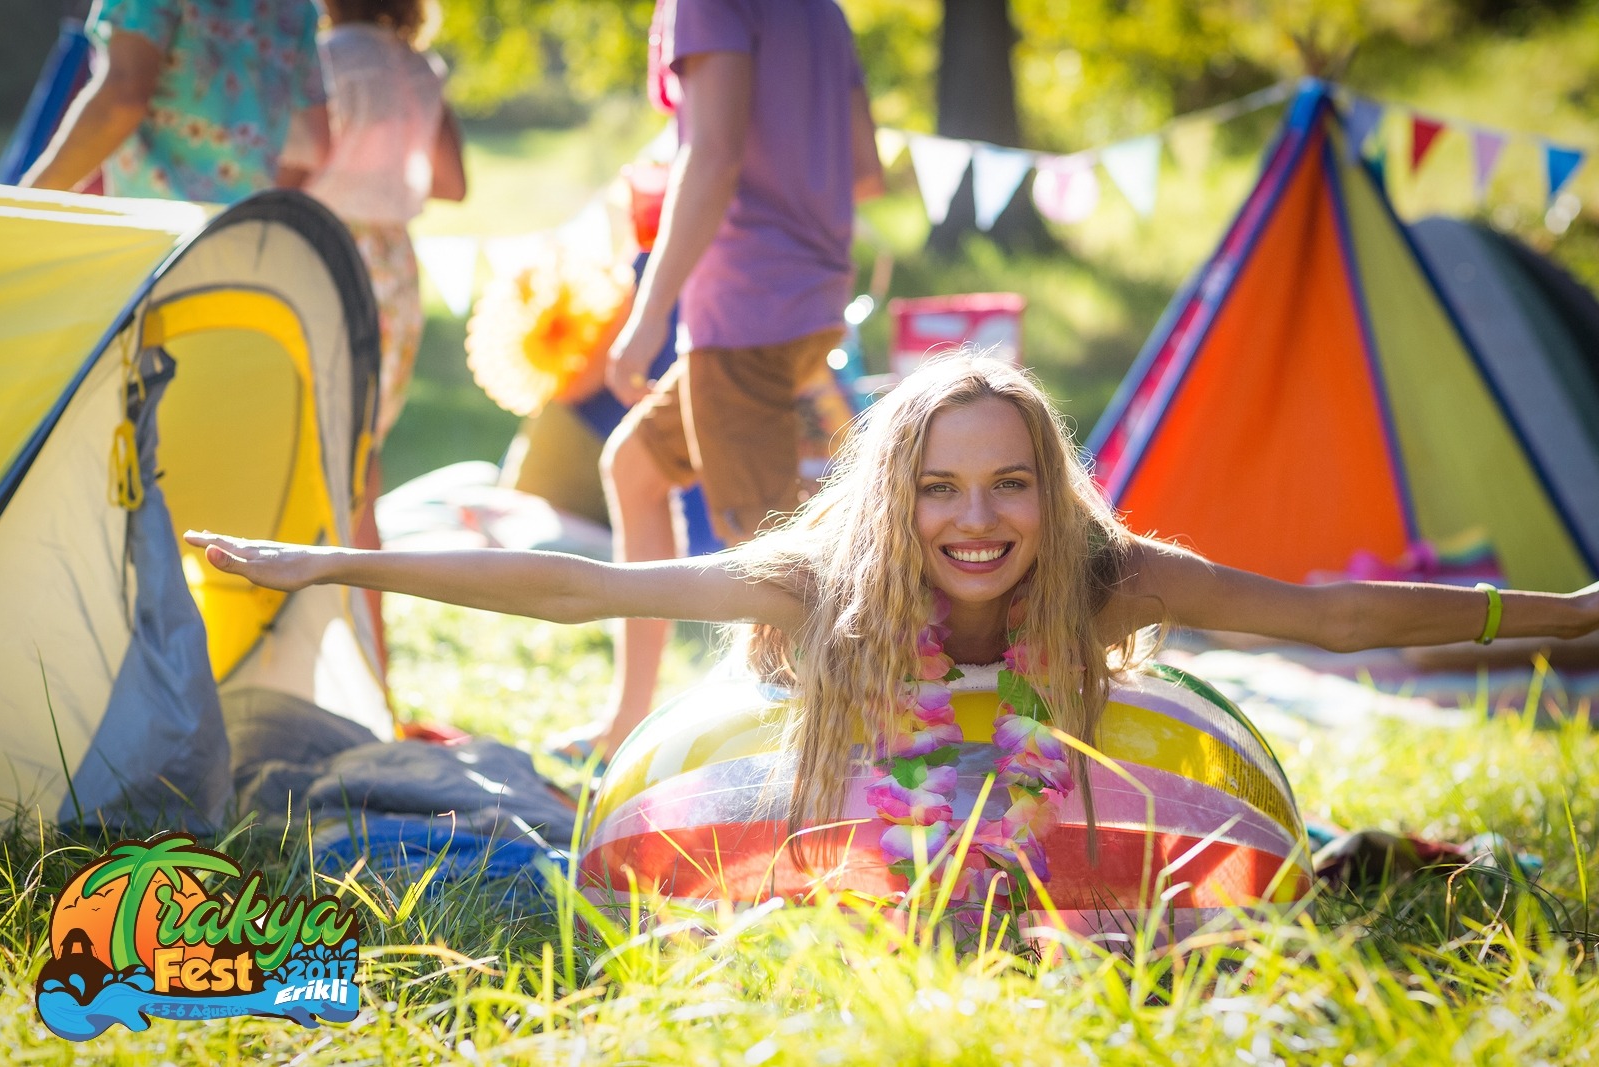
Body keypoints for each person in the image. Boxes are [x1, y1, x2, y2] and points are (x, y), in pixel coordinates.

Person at [185, 355, 1599, 880]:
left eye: (1005, 487)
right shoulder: (827, 584)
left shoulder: (1110, 577)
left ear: (1050, 495)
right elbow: (583, 585)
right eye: (936, 489)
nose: (972, 521)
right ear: (891, 501)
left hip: (1048, 839)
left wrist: (1573, 611)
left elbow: (1332, 613)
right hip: (830, 839)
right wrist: (324, 565)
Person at [591, 0, 886, 763]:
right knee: (634, 466)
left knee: (772, 568)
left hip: (745, 311)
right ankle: (627, 721)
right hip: (810, 298)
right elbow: (865, 168)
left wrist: (649, 311)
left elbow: (714, 154)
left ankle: (824, 757)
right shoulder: (820, 10)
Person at [277, 0, 467, 446]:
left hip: (324, 250)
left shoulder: (322, 58)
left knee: (306, 432)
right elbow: (452, 182)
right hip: (393, 263)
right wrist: (385, 178)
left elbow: (295, 169)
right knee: (364, 440)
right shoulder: (422, 69)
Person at [21, 0, 328, 201]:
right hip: (245, 245)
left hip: (158, 247)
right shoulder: (296, 7)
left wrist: (25, 206)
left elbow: (121, 98)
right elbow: (315, 145)